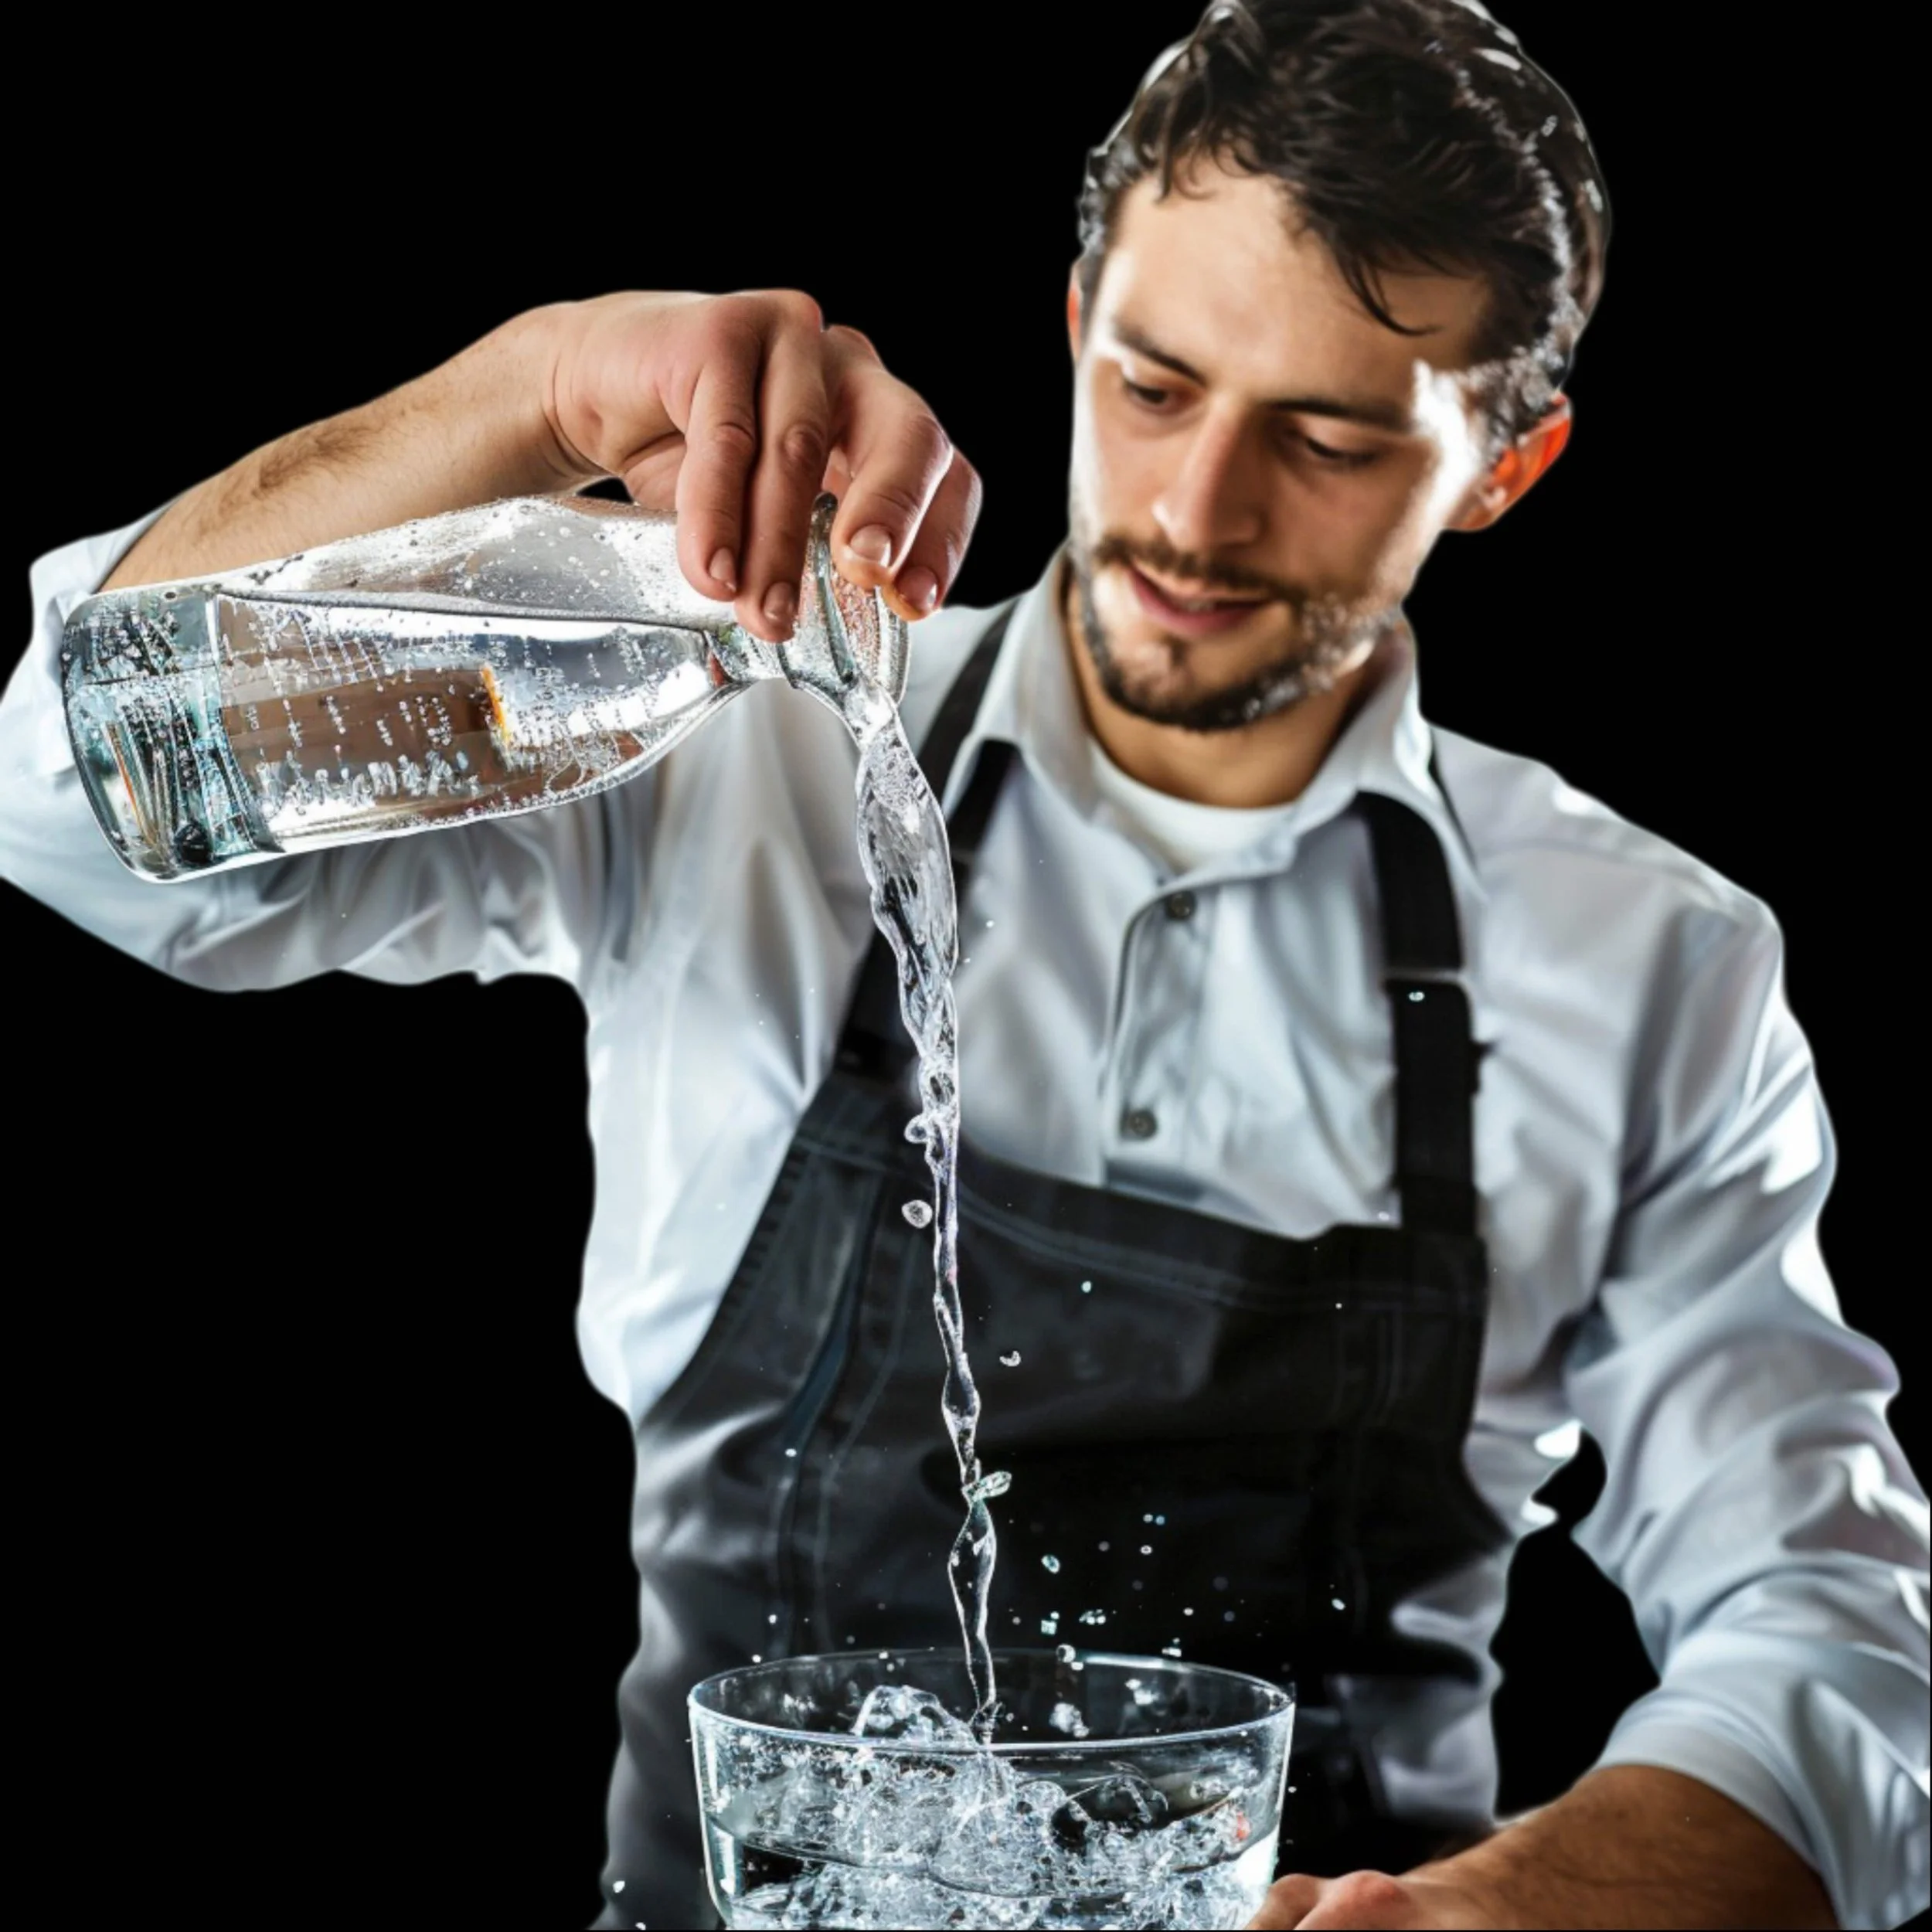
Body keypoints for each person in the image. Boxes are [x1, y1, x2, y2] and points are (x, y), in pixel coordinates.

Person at [5, 1, 1926, 1925]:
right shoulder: (742, 740)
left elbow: (1834, 1631)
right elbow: (69, 811)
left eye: (1331, 438)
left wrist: (1496, 1915)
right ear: (1076, 309)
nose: (1193, 511)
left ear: (1504, 464)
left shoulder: (1649, 961)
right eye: (1152, 383)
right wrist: (536, 385)